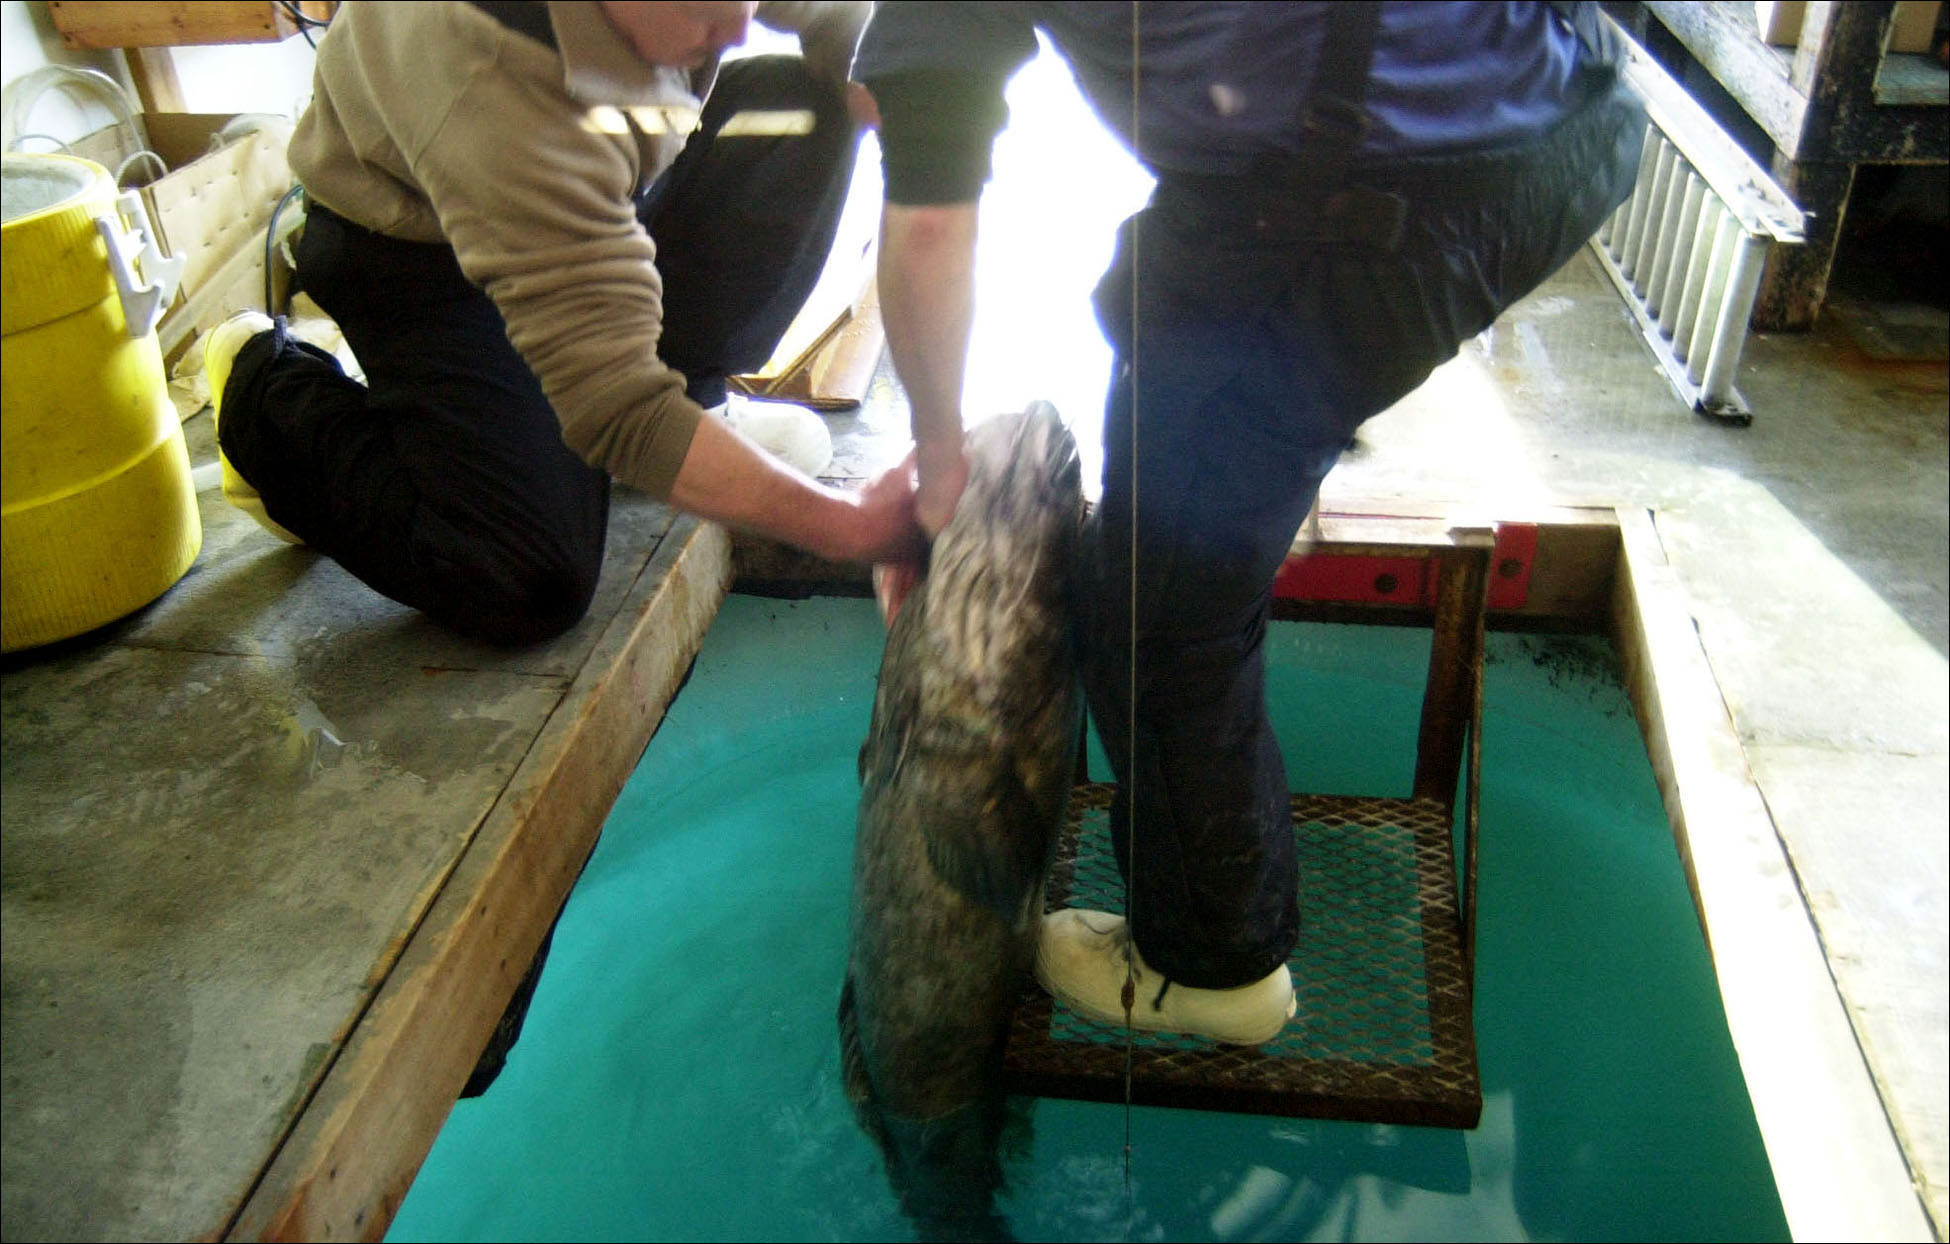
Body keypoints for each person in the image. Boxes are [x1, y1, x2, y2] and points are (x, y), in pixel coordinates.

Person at [854, 2, 1645, 1045]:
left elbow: (925, 225)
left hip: (1402, 196)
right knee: (1173, 338)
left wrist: (939, 462)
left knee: (1160, 605)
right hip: (1565, 105)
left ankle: (1219, 970)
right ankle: (1297, 402)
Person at [204, 0, 923, 646]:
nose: (739, 25)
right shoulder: (486, 59)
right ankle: (262, 392)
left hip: (602, 166)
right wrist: (850, 527)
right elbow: (621, 411)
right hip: (418, 252)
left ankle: (691, 396)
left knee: (801, 107)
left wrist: (911, 104)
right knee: (527, 576)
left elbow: (837, 16)